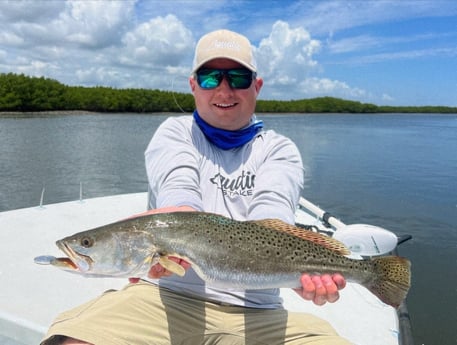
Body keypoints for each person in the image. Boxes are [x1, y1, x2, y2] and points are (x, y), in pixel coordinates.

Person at [42, 29, 350, 345]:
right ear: (193, 85)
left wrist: (302, 273)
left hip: (259, 311)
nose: (224, 89)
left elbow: (272, 223)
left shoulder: (279, 150)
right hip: (164, 298)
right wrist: (176, 222)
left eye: (238, 78)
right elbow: (180, 193)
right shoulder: (176, 132)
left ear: (256, 86)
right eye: (210, 78)